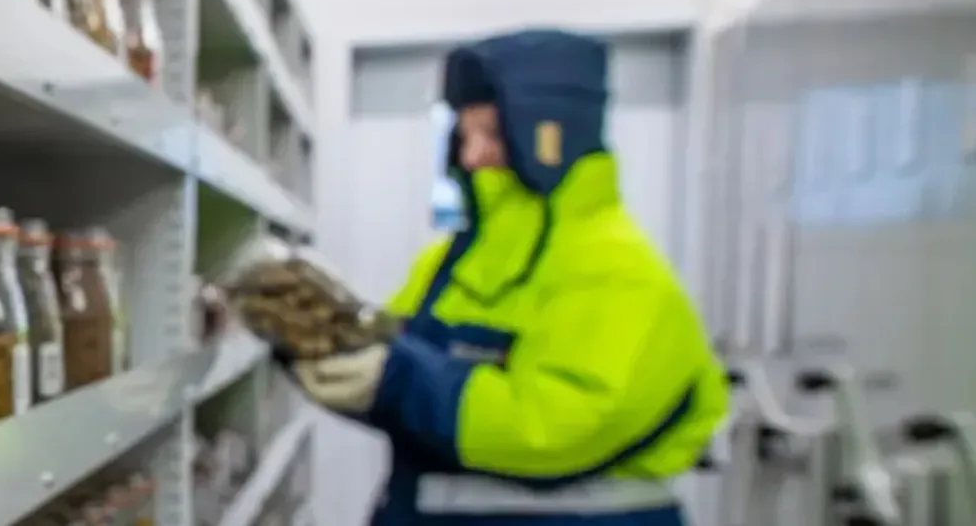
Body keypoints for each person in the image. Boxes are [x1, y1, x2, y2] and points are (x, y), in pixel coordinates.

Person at [284, 30, 731, 525]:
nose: (471, 156)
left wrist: (392, 381)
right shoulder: (448, 261)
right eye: (464, 135)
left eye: (494, 135)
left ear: (549, 136)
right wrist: (316, 341)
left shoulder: (622, 273)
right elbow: (394, 366)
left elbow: (555, 429)